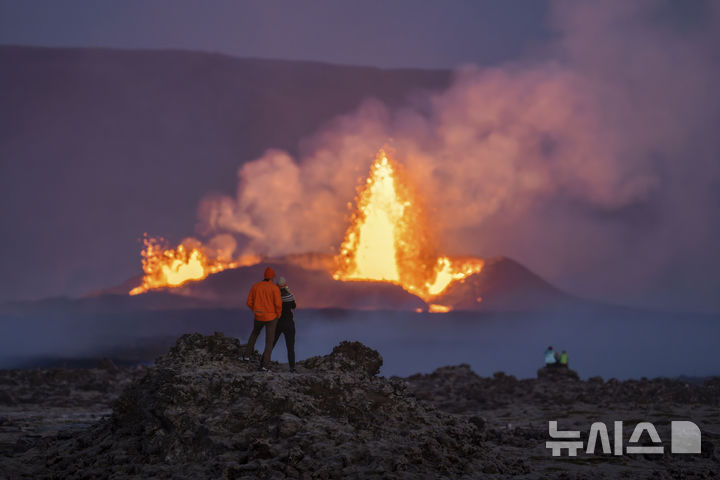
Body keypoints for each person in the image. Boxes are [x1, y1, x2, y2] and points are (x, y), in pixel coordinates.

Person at [244, 267, 282, 371]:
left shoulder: (255, 286)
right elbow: (278, 305)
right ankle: (265, 366)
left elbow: (249, 302)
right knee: (269, 342)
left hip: (258, 316)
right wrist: (278, 315)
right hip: (271, 317)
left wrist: (255, 310)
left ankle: (246, 356)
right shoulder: (275, 289)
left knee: (254, 334)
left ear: (264, 276)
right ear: (272, 277)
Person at [272, 277, 297, 373]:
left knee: (271, 344)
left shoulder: (275, 296)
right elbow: (294, 306)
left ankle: (263, 364)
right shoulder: (289, 295)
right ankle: (292, 368)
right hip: (289, 324)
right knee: (290, 347)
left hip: (278, 323)